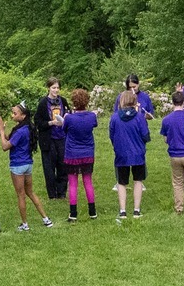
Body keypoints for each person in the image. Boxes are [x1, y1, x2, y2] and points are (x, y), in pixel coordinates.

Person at [3, 104, 54, 229]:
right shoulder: (27, 128)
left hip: (17, 166)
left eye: (15, 113)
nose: (12, 115)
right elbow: (10, 140)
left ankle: (25, 224)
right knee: (30, 192)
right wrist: (2, 134)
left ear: (23, 115)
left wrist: (1, 131)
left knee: (21, 195)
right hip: (28, 164)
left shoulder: (20, 131)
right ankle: (46, 219)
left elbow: (5, 146)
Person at [109, 87, 152, 219]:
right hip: (138, 154)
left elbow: (111, 135)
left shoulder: (115, 117)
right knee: (138, 180)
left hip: (121, 154)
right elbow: (146, 135)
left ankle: (122, 211)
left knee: (121, 182)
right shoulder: (139, 117)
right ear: (134, 101)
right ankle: (136, 210)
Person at [61, 88, 100, 222]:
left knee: (73, 183)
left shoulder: (69, 118)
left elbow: (64, 129)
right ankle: (92, 211)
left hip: (72, 153)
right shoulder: (92, 116)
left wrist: (66, 117)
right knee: (88, 181)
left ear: (73, 102)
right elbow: (94, 125)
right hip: (88, 152)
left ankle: (73, 213)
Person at [36, 78, 69, 200]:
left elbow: (68, 114)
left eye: (57, 88)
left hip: (62, 137)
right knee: (49, 167)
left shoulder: (63, 101)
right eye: (53, 87)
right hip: (48, 139)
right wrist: (51, 123)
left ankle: (62, 192)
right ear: (48, 88)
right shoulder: (43, 102)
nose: (56, 90)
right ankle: (52, 194)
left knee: (63, 165)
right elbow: (38, 122)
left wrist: (66, 119)